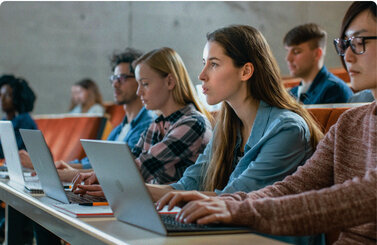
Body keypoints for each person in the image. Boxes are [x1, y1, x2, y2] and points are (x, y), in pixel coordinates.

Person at [74, 28, 324, 244]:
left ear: (246, 71)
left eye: (213, 64)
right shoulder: (228, 126)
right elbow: (186, 186)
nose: (202, 74)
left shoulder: (287, 129)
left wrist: (127, 189)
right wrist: (119, 187)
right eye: (204, 63)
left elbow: (236, 200)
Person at [163, 3, 376, 245]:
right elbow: (293, 187)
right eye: (345, 44)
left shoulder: (288, 127)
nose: (346, 56)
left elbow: (354, 198)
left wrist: (236, 209)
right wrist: (228, 203)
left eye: (359, 42)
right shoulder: (349, 124)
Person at [73, 47, 213, 189]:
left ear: (170, 82)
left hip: (177, 209)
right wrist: (94, 175)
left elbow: (141, 168)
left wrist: (99, 178)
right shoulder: (157, 124)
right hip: (153, 204)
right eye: (139, 84)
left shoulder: (193, 123)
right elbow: (130, 161)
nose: (139, 92)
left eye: (145, 84)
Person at [285, 23, 353, 104]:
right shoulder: (293, 92)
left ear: (317, 54)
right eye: (287, 51)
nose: (288, 58)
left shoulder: (333, 90)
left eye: (296, 52)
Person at [0, 75, 38, 159]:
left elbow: (12, 151)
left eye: (7, 96)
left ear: (17, 97)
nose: (2, 99)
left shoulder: (25, 121)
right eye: (0, 95)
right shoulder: (3, 121)